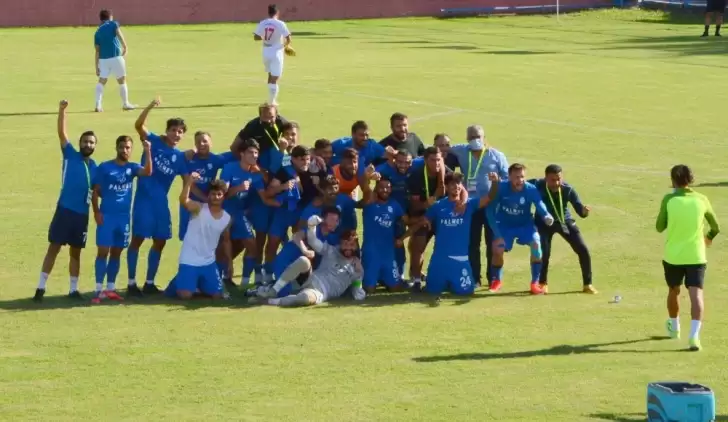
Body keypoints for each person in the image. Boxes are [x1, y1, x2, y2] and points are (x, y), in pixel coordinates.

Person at [34, 101, 99, 302]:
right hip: (64, 211)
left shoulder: (95, 167)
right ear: (80, 143)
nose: (88, 145)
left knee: (75, 253)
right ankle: (40, 287)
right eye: (85, 142)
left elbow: (97, 191)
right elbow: (62, 134)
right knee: (53, 248)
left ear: (95, 146)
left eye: (91, 142)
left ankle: (73, 289)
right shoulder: (70, 155)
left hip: (82, 215)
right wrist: (62, 111)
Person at [127, 98, 190, 297]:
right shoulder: (153, 141)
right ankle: (131, 283)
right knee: (138, 239)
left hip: (161, 203)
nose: (176, 134)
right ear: (167, 131)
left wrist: (190, 197)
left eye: (180, 131)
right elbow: (138, 125)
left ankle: (149, 283)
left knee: (161, 240)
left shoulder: (179, 157)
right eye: (173, 130)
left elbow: (187, 179)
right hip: (144, 200)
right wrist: (150, 106)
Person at [656, 165, 720, 352]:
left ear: (673, 180)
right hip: (696, 255)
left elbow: (659, 227)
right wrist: (708, 239)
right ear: (691, 179)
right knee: (696, 294)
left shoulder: (669, 199)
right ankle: (694, 336)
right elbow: (715, 227)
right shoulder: (702, 199)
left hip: (673, 256)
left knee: (673, 290)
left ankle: (674, 328)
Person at [91, 136, 152, 303]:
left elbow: (147, 172)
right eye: (122, 147)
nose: (124, 150)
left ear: (131, 150)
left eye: (128, 147)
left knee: (117, 252)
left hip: (124, 218)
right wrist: (96, 212)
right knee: (103, 252)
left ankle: (110, 288)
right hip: (107, 216)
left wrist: (147, 151)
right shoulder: (105, 167)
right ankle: (98, 290)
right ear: (116, 148)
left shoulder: (132, 168)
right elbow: (95, 191)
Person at [448, 125, 509, 287]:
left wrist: (497, 181)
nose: (475, 140)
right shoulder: (461, 151)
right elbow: (442, 149)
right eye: (472, 137)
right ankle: (474, 278)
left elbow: (507, 178)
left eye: (478, 137)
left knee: (492, 243)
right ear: (467, 138)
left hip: (492, 206)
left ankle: (493, 277)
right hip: (470, 206)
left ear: (484, 138)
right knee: (472, 243)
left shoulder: (496, 156)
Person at [423, 172, 499, 299]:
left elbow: (489, 198)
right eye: (452, 184)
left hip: (460, 260)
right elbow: (425, 219)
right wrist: (426, 222)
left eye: (458, 183)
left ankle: (451, 282)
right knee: (431, 290)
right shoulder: (438, 206)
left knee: (466, 292)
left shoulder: (469, 204)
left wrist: (495, 182)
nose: (456, 186)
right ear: (446, 187)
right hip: (439, 260)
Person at [262, 216, 365, 307]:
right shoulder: (331, 251)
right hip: (309, 279)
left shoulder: (357, 268)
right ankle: (273, 290)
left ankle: (272, 301)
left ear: (356, 247)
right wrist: (312, 227)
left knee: (304, 298)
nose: (348, 248)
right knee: (303, 261)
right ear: (340, 244)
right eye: (345, 244)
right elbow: (313, 241)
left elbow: (358, 295)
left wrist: (359, 272)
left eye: (351, 245)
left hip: (320, 291)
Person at [487, 163, 554, 295]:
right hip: (504, 225)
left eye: (522, 177)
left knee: (536, 246)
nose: (520, 180)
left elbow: (539, 203)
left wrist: (546, 214)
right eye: (517, 177)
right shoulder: (501, 188)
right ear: (509, 177)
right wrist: (497, 233)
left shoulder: (530, 189)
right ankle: (496, 281)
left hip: (525, 225)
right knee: (497, 250)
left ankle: (534, 283)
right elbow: (490, 211)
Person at [529, 165, 596, 294]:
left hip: (564, 221)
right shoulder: (537, 184)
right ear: (545, 178)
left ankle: (588, 284)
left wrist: (584, 211)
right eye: (552, 180)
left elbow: (580, 212)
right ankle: (542, 283)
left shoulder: (568, 189)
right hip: (543, 222)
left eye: (559, 179)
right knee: (544, 252)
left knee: (583, 249)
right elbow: (518, 184)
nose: (556, 183)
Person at [164, 175, 231, 300]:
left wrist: (230, 263)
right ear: (208, 195)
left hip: (208, 262)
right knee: (186, 296)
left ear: (223, 196)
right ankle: (176, 283)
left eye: (219, 194)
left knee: (217, 296)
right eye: (213, 194)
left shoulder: (227, 218)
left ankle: (195, 282)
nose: (216, 197)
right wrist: (189, 182)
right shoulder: (198, 208)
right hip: (189, 259)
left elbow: (226, 241)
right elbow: (183, 200)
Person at [220, 139, 274, 287]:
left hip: (239, 213)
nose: (254, 155)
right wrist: (238, 188)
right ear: (242, 154)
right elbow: (222, 194)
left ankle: (244, 282)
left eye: (256, 153)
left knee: (251, 246)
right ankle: (220, 279)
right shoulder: (229, 168)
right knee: (222, 248)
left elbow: (264, 196)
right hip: (224, 211)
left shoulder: (255, 174)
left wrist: (281, 197)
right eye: (250, 152)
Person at [256, 206, 342, 299]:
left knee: (299, 291)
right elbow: (297, 236)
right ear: (323, 219)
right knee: (284, 294)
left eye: (337, 220)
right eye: (332, 219)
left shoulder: (332, 238)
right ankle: (264, 290)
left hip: (302, 270)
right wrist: (305, 250)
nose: (336, 223)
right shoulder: (313, 230)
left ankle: (268, 287)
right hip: (286, 262)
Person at [406, 147, 451, 290]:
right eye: (432, 160)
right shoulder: (416, 176)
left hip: (441, 216)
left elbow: (460, 190)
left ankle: (446, 276)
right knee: (418, 245)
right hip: (422, 215)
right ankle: (416, 279)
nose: (436, 163)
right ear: (425, 160)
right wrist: (426, 205)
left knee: (446, 245)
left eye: (438, 160)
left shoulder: (447, 173)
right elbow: (413, 206)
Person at [179, 131, 235, 241]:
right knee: (187, 237)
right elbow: (190, 185)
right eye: (198, 142)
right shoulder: (188, 159)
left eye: (205, 141)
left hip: (206, 206)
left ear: (211, 143)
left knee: (206, 236)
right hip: (188, 203)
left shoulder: (216, 159)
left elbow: (238, 153)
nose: (201, 144)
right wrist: (206, 199)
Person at [360, 177, 411, 294]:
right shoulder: (369, 201)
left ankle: (386, 280)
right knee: (369, 290)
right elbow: (365, 187)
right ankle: (373, 280)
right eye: (381, 187)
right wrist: (368, 176)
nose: (385, 190)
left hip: (388, 253)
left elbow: (407, 221)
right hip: (371, 253)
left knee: (395, 289)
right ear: (376, 188)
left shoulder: (394, 204)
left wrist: (423, 220)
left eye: (388, 187)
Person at [376, 151, 413, 279]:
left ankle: (399, 274)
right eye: (400, 162)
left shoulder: (416, 165)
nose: (403, 165)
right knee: (382, 242)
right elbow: (369, 173)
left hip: (402, 215)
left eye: (407, 162)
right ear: (394, 161)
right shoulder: (385, 169)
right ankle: (380, 274)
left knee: (398, 243)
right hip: (385, 212)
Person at [93, 9, 134, 112]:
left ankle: (98, 105)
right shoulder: (113, 24)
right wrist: (125, 46)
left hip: (103, 60)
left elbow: (97, 51)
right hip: (116, 57)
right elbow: (119, 34)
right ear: (110, 17)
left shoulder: (97, 32)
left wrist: (96, 67)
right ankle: (125, 103)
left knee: (102, 81)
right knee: (122, 80)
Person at [253, 4, 293, 105]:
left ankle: (270, 98)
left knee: (270, 75)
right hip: (276, 52)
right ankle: (271, 102)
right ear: (277, 12)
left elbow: (256, 37)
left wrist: (264, 38)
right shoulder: (280, 24)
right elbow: (288, 38)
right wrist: (286, 46)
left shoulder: (263, 23)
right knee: (275, 78)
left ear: (268, 12)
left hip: (265, 52)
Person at [330, 120, 395, 168]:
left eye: (367, 135)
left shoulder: (372, 146)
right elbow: (325, 150)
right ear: (353, 134)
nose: (365, 138)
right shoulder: (341, 144)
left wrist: (377, 170)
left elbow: (390, 155)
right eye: (361, 135)